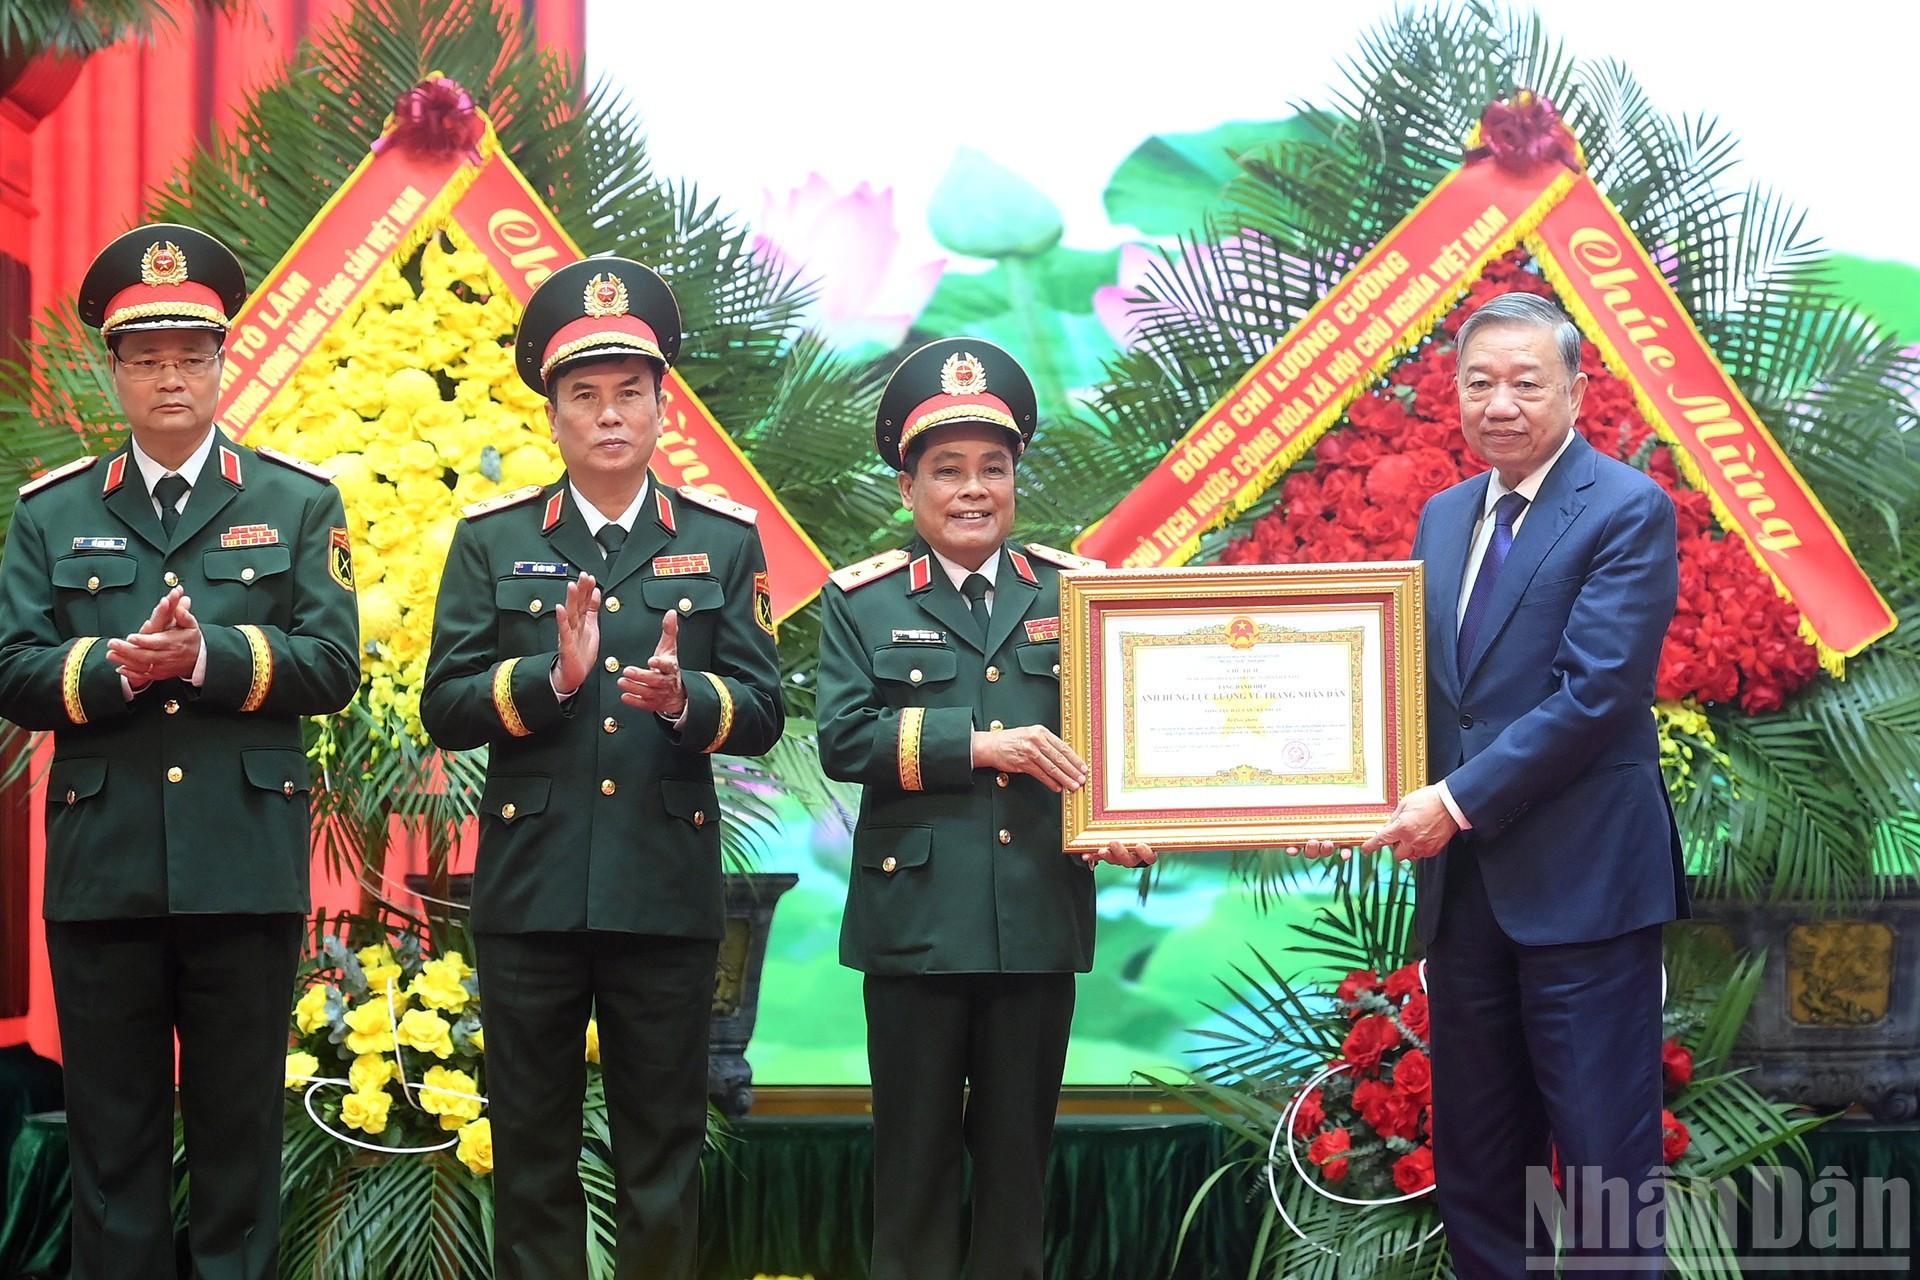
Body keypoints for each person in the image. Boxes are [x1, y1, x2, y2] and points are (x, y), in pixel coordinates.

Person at [0, 223, 361, 1279]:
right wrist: (116, 667)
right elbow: (13, 665)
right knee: (113, 1149)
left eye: (190, 354)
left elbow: (334, 663)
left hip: (242, 865)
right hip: (102, 868)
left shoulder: (296, 501)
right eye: (146, 357)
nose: (170, 377)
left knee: (238, 1141)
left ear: (221, 360)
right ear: (112, 370)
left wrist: (209, 658)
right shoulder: (53, 510)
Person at [1307, 291, 1685, 1275]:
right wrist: (1337, 797)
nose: (1501, 402)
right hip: (1467, 893)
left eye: (1527, 382)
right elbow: (1429, 695)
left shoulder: (1625, 508)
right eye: (1480, 382)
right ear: (1455, 393)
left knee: (1604, 1171)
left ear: (1576, 391)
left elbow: (1597, 694)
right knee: (1479, 1165)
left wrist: (1455, 800)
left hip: (1582, 885)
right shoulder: (1443, 515)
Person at [421, 255, 783, 1279]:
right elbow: (445, 707)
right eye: (585, 393)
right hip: (532, 889)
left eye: (631, 392)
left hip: (662, 890)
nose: (610, 413)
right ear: (553, 413)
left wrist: (686, 700)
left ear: (664, 406)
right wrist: (551, 678)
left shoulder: (720, 541)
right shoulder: (493, 542)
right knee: (532, 1151)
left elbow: (761, 709)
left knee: (660, 1151)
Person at [817, 338, 1153, 1280]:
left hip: (1037, 915)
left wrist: (1128, 822)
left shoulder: (1079, 592)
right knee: (913, 1175)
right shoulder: (864, 602)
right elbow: (844, 740)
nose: (974, 490)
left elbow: (1121, 748)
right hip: (917, 925)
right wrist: (979, 745)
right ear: (907, 487)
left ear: (1016, 481)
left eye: (993, 470)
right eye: (948, 470)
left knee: (1017, 1176)